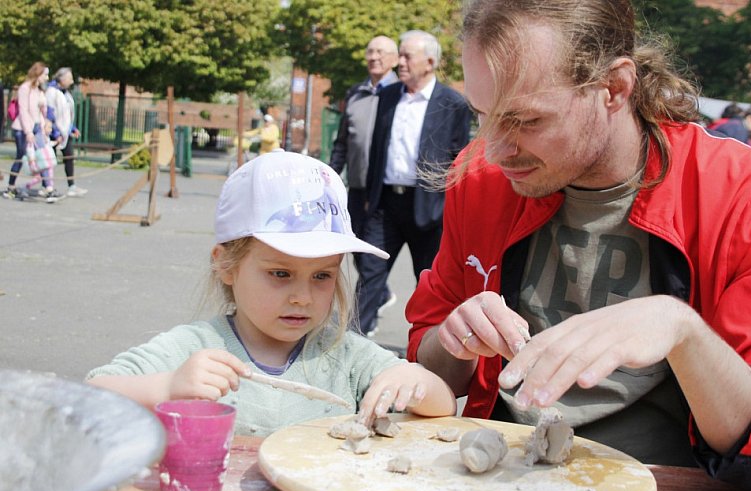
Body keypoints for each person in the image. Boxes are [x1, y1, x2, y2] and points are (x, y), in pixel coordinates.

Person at [406, 0, 751, 491]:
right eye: (482, 116)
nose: (495, 148)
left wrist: (683, 332)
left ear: (615, 88)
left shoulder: (750, 194)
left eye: (526, 120)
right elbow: (425, 366)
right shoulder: (482, 177)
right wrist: (453, 338)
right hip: (498, 483)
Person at [86, 151, 456, 437]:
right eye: (280, 273)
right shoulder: (194, 349)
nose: (302, 297)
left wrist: (417, 382)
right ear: (226, 265)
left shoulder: (344, 356)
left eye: (322, 276)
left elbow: (445, 405)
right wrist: (167, 385)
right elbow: (91, 396)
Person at [359, 30, 472, 336]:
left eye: (408, 56)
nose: (400, 62)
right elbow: (377, 148)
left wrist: (450, 209)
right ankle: (352, 344)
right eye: (401, 55)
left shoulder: (452, 104)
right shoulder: (386, 96)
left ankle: (428, 350)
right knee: (369, 273)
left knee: (429, 284)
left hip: (428, 208)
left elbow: (460, 159)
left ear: (430, 62)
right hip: (386, 206)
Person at [329, 35, 400, 335]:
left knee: (371, 260)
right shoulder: (355, 94)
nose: (374, 57)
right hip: (356, 189)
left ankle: (359, 326)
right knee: (354, 249)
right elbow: (343, 142)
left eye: (381, 52)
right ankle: (380, 294)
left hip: (384, 193)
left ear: (395, 59)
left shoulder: (400, 94)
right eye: (370, 51)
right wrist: (331, 177)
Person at [3, 62, 61, 201]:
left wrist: (44, 125)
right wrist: (28, 132)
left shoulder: (39, 90)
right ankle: (11, 187)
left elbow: (41, 112)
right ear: (37, 74)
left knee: (45, 156)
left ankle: (48, 188)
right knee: (21, 157)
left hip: (37, 128)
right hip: (23, 129)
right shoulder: (25, 88)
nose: (47, 78)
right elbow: (23, 111)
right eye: (45, 75)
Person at [46, 67, 86, 197]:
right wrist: (56, 133)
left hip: (65, 132)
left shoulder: (66, 93)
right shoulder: (51, 92)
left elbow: (66, 114)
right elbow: (50, 113)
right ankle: (47, 186)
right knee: (50, 160)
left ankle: (71, 186)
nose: (72, 81)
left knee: (69, 157)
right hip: (54, 132)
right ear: (61, 78)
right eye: (69, 78)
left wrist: (71, 128)